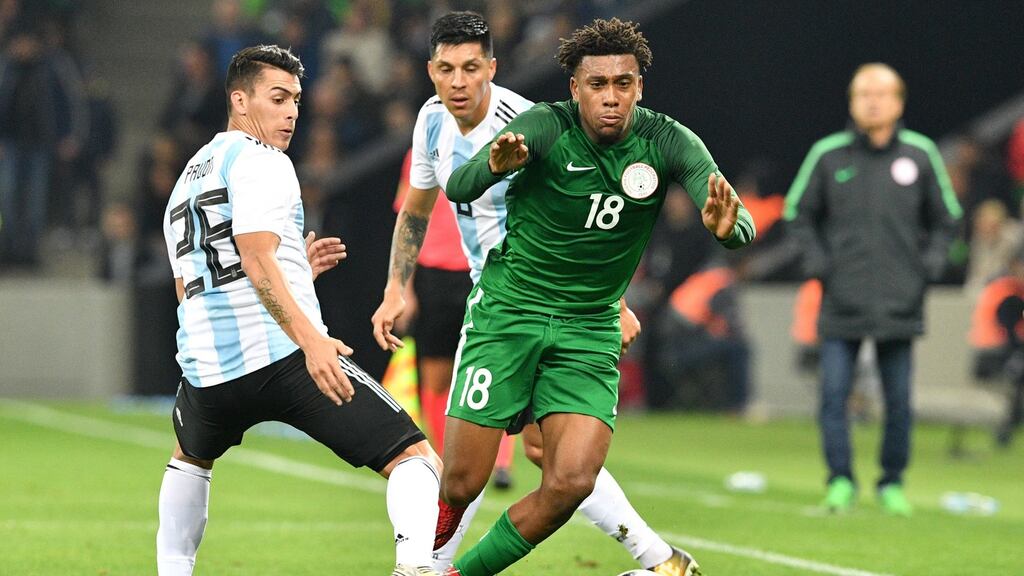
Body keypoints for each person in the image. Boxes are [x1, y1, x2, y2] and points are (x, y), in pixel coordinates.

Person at [372, 12, 708, 575]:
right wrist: (394, 287)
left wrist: (613, 304)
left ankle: (429, 568)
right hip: (499, 303)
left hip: (538, 306)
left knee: (531, 459)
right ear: (430, 72)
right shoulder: (430, 120)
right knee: (511, 457)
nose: (459, 82)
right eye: (447, 70)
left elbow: (584, 220)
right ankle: (661, 560)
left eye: (472, 68)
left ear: (492, 69)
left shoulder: (526, 123)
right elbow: (417, 208)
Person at [156, 45, 443, 576]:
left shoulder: (185, 180)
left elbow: (190, 286)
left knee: (190, 457)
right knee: (415, 457)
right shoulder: (265, 162)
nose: (291, 112)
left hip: (207, 370)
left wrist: (297, 273)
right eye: (277, 98)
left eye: (295, 100)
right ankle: (415, 568)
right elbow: (256, 256)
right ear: (239, 100)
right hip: (285, 358)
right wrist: (312, 340)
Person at [783, 63, 962, 516]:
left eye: (881, 93)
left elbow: (949, 218)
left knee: (899, 402)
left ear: (898, 102)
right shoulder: (829, 154)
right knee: (833, 397)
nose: (872, 101)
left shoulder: (919, 154)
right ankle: (841, 481)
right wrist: (819, 263)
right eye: (863, 93)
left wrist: (928, 267)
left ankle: (891, 483)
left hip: (900, 301)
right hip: (841, 299)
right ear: (852, 101)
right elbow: (795, 212)